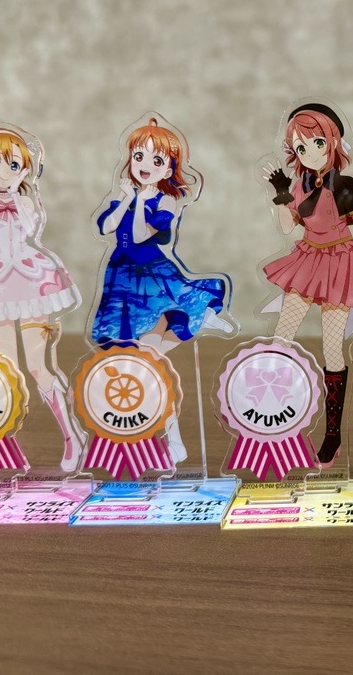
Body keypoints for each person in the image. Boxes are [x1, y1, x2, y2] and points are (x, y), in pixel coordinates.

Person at [263, 103, 353, 468]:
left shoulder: (344, 185)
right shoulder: (300, 185)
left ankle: (332, 434)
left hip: (339, 262)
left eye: (316, 143)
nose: (309, 153)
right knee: (281, 339)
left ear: (332, 141)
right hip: (307, 258)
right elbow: (287, 227)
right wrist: (281, 195)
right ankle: (275, 415)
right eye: (300, 147)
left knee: (332, 350)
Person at [92, 117, 235, 461]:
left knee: (149, 362)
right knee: (146, 362)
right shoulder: (125, 196)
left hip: (153, 278)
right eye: (139, 156)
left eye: (156, 160)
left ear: (169, 169)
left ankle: (173, 439)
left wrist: (142, 201)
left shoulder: (166, 201)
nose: (145, 165)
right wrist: (127, 198)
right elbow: (105, 227)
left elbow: (141, 235)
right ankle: (198, 317)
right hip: (121, 279)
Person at [0, 126, 83, 471]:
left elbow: (30, 229)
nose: (3, 171)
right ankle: (2, 445)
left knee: (37, 366)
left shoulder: (25, 202)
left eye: (13, 165)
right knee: (5, 368)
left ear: (26, 168)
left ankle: (72, 437)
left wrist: (20, 194)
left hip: (30, 280)